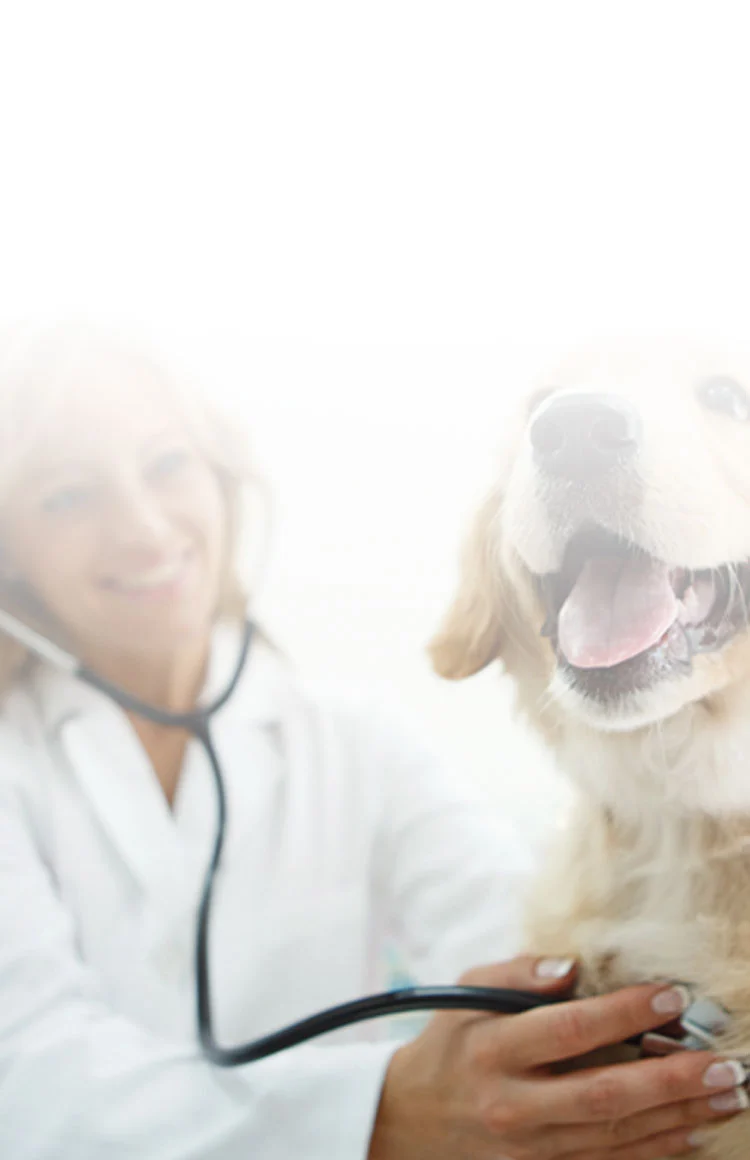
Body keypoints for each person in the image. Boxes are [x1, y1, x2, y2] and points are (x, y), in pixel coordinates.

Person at [0, 322, 741, 1160]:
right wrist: (379, 1114)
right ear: (9, 551)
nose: (140, 527)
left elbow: (514, 939)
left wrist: (585, 1055)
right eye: (67, 496)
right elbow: (28, 1075)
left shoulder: (356, 742)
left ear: (223, 480)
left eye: (167, 466)